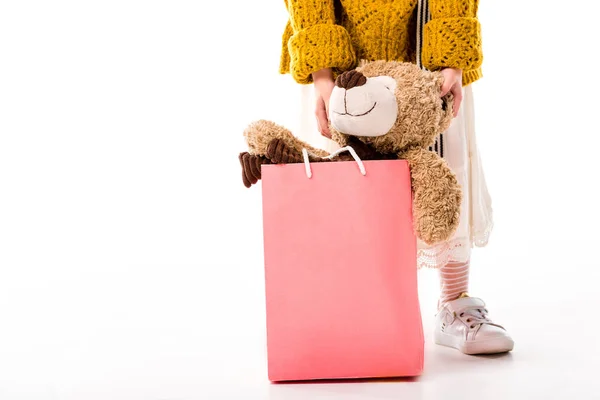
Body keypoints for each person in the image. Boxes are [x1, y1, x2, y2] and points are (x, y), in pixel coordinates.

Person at [278, 0, 514, 355]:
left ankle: (455, 300)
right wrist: (321, 72)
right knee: (344, 174)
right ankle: (345, 310)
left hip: (427, 39)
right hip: (342, 52)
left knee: (444, 158)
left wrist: (453, 58)